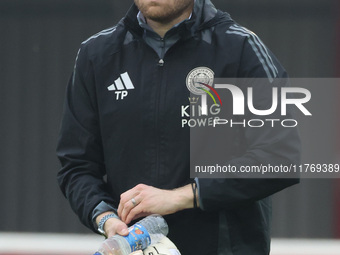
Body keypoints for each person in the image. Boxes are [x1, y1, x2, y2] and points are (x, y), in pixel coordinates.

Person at [57, 0, 300, 254]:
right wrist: (106, 218)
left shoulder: (241, 48)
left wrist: (181, 197)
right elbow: (77, 166)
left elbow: (283, 155)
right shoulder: (96, 54)